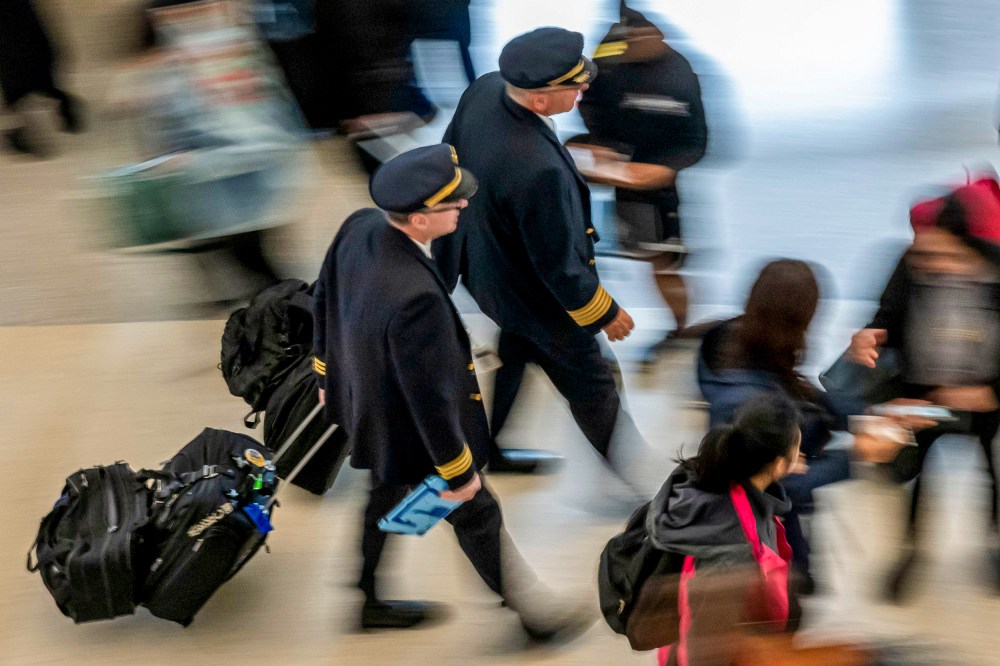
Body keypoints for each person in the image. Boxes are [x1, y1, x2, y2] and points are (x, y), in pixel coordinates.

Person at [312, 144, 592, 638]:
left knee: (383, 492)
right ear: (420, 219)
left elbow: (323, 297)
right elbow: (429, 399)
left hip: (368, 403)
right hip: (410, 425)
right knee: (477, 512)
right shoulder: (414, 298)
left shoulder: (359, 226)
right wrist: (458, 470)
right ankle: (532, 620)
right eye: (452, 203)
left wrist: (325, 375)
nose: (463, 206)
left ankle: (366, 596)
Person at [435, 26, 646, 480]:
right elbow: (558, 266)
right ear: (540, 100)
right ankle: (648, 493)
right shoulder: (537, 168)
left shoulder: (487, 87)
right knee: (594, 385)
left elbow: (450, 156)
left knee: (516, 348)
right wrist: (604, 311)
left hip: (489, 269)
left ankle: (489, 447)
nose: (585, 85)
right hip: (541, 298)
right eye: (575, 84)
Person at [847, 183, 1000, 600]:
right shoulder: (912, 262)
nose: (931, 262)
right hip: (923, 398)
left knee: (993, 475)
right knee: (915, 478)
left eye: (945, 254)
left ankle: (992, 549)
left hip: (985, 401)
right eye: (923, 250)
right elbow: (887, 316)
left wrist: (992, 392)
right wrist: (870, 338)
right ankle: (911, 553)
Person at [697, 260, 851, 593]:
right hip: (756, 539)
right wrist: (857, 458)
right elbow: (779, 488)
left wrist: (859, 407)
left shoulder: (727, 338)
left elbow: (800, 392)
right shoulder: (753, 399)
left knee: (797, 581)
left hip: (759, 521)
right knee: (781, 603)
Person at [579, 2, 708, 367]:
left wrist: (668, 169)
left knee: (664, 261)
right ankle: (582, 328)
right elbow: (588, 101)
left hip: (663, 185)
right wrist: (603, 147)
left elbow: (698, 139)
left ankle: (681, 329)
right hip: (622, 180)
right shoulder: (608, 57)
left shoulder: (680, 71)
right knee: (602, 251)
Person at [648, 393, 798, 666]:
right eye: (796, 448)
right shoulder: (733, 544)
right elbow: (704, 642)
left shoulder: (718, 481)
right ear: (779, 464)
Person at [0, 0, 82, 155]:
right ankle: (62, 105)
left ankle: (30, 136)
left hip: (17, 59)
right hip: (39, 51)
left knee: (18, 93)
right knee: (43, 83)